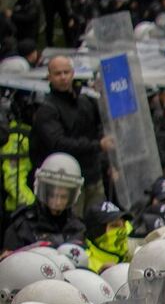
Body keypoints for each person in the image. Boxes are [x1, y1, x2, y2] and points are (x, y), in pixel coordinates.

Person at [28, 55, 111, 205]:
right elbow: (59, 144)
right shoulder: (47, 109)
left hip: (92, 175)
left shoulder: (85, 101)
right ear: (49, 77)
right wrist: (97, 145)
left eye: (66, 72)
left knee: (98, 223)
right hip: (65, 180)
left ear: (73, 73)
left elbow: (101, 125)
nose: (63, 77)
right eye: (58, 73)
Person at [4, 153, 87, 249]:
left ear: (72, 196)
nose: (57, 202)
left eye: (63, 197)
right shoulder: (23, 225)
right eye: (52, 195)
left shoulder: (77, 227)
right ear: (43, 192)